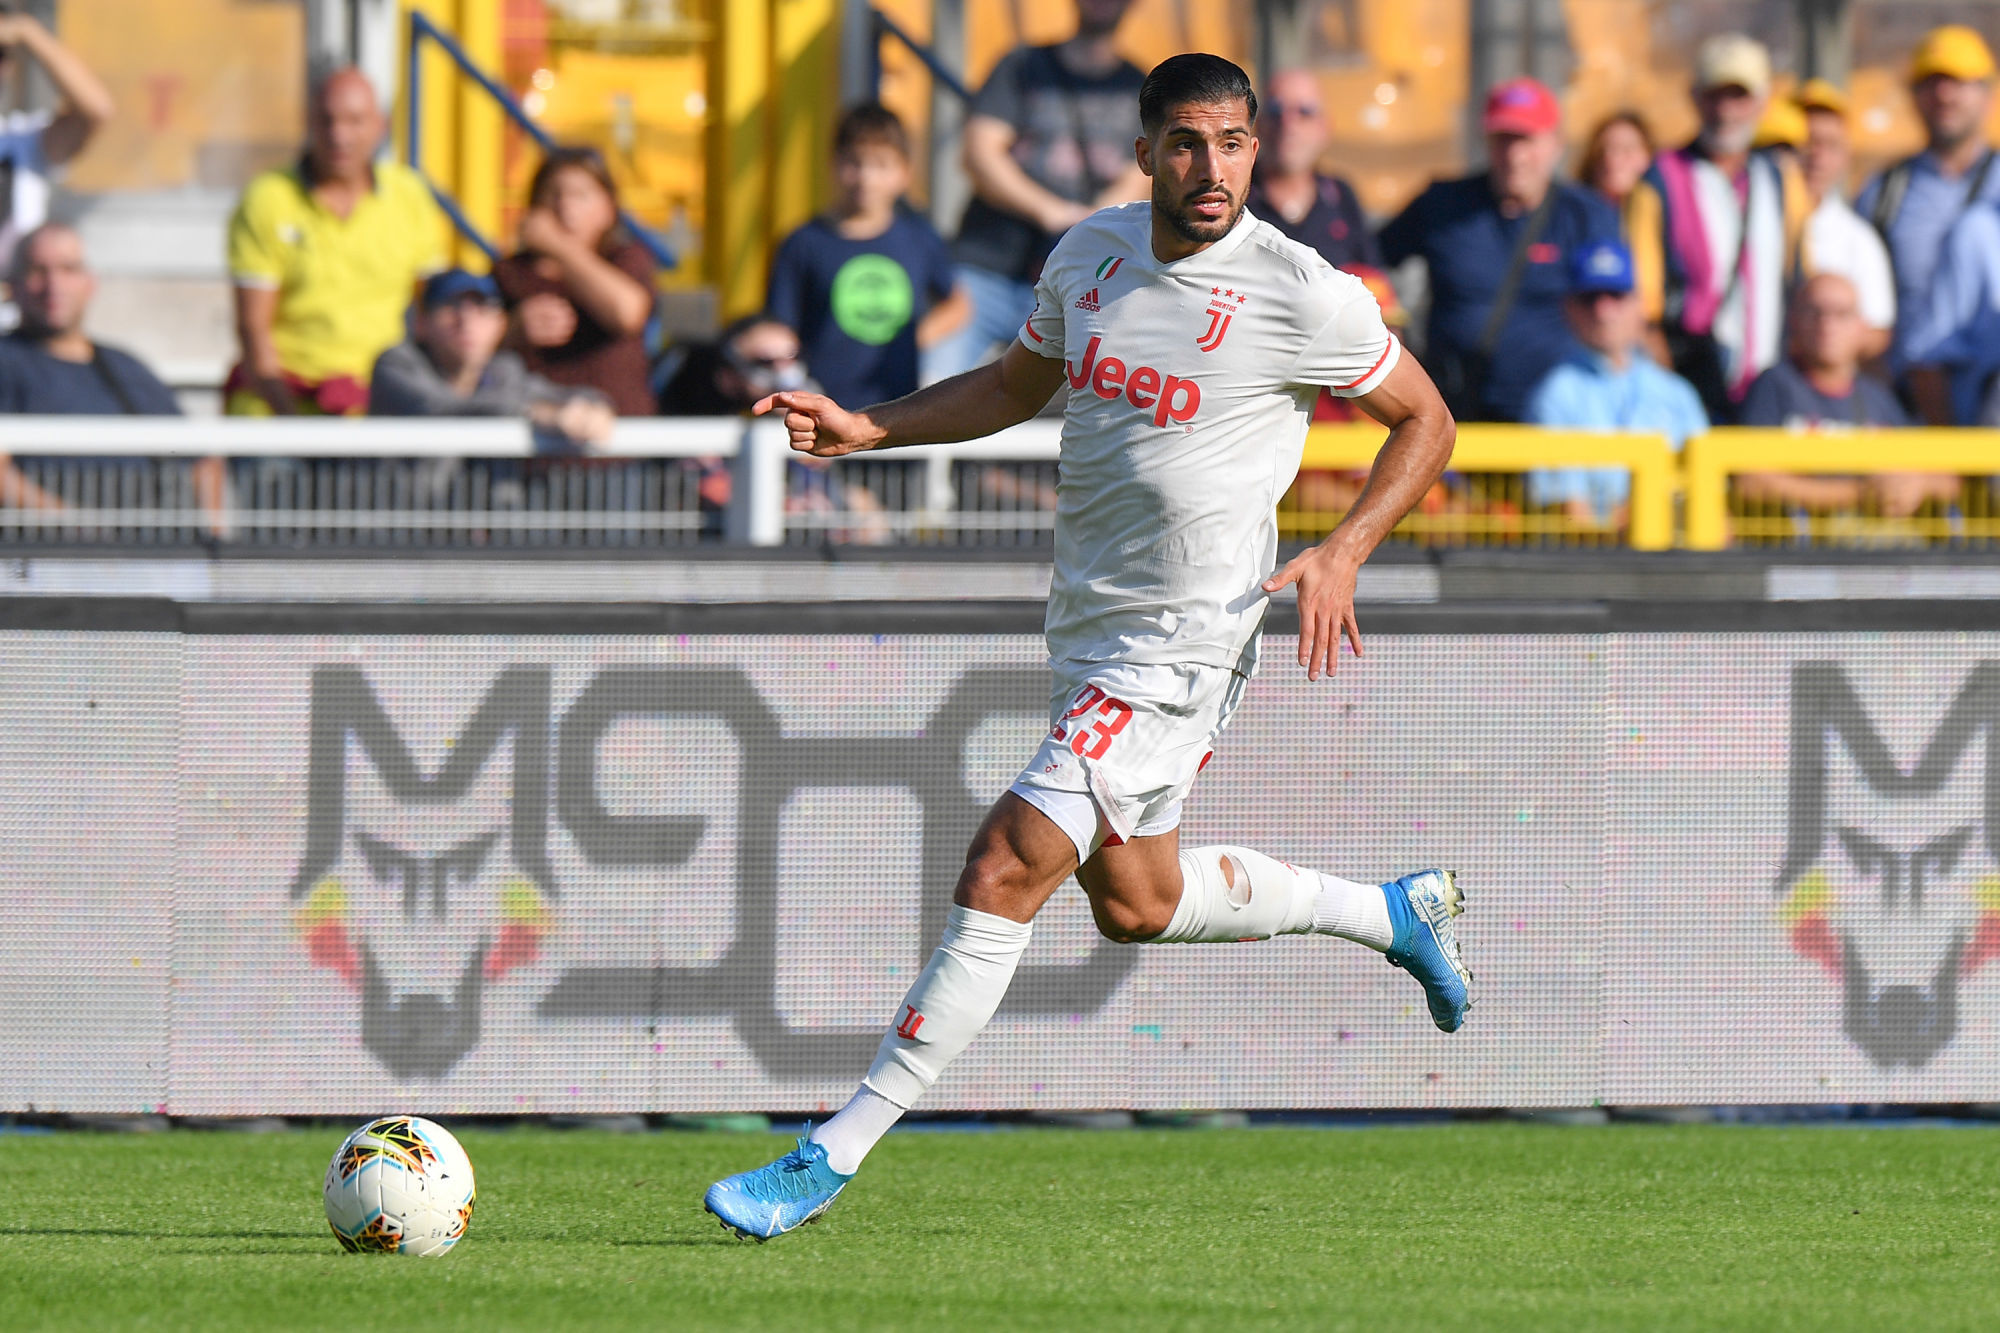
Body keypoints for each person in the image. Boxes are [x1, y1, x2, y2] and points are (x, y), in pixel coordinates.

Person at [702, 53, 1467, 1240]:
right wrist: (871, 430)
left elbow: (1426, 417)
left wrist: (1347, 546)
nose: (1208, 166)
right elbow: (1018, 381)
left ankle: (826, 1152)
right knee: (1137, 903)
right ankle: (1388, 914)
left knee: (1003, 866)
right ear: (1143, 149)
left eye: (1230, 142)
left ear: (1255, 149)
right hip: (1090, 627)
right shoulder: (1089, 256)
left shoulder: (1298, 290)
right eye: (1184, 142)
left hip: (1186, 640)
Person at [922, 0, 1149, 380]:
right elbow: (979, 154)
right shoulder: (1022, 66)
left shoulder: (1140, 86)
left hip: (1083, 286)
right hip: (986, 274)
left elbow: (1143, 176)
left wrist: (1086, 222)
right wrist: (1051, 211)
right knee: (929, 384)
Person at [1379, 76, 1620, 422]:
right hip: (1454, 415)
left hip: (1559, 421)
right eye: (1503, 140)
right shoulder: (1443, 205)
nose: (1515, 155)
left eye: (1527, 140)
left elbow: (1619, 308)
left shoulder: (1586, 216)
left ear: (1556, 144)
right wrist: (1388, 322)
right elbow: (1369, 259)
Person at [226, 68, 448, 415]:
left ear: (381, 125)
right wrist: (292, 428)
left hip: (379, 411)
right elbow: (253, 329)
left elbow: (438, 311)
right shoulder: (268, 198)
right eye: (327, 121)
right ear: (309, 123)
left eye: (355, 121)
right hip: (280, 406)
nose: (339, 135)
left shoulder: (409, 195)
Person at [1626, 34, 1812, 424]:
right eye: (1715, 95)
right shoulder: (1660, 179)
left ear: (1761, 102)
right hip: (1689, 380)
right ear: (1695, 98)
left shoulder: (1782, 180)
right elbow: (1644, 304)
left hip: (1769, 383)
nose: (1726, 111)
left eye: (1738, 96)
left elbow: (1799, 280)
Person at [764, 103, 967, 408]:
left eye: (881, 164)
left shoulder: (919, 238)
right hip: (822, 414)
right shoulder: (802, 243)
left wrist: (911, 340)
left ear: (904, 173)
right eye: (854, 162)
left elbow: (958, 304)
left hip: (897, 417)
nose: (866, 178)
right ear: (833, 163)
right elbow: (779, 330)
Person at [1736, 273, 1955, 519]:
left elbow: (1947, 480)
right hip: (1800, 545)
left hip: (1873, 545)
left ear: (1863, 327)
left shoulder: (1878, 396)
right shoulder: (1774, 385)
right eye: (1815, 312)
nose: (1827, 325)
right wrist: (1857, 495)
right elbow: (1750, 481)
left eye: (1841, 314)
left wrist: (1915, 486)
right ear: (1794, 321)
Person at [1856, 24, 2000, 399]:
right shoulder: (1884, 192)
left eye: (1958, 82)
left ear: (1987, 93)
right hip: (1906, 398)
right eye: (1931, 82)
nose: (1944, 96)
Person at [1523, 237, 1707, 527]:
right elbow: (1570, 518)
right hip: (1599, 566)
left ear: (1640, 305)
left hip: (1680, 561)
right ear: (1569, 308)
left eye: (1616, 295)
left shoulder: (1676, 392)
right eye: (1590, 298)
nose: (1603, 311)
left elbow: (1711, 509)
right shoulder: (1555, 394)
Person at [0, 222, 182, 515]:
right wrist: (77, 525)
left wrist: (213, 546)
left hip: (148, 546)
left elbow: (200, 457)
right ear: (13, 285)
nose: (54, 285)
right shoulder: (7, 361)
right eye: (38, 271)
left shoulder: (124, 365)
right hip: (42, 552)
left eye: (68, 269)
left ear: (90, 282)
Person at [494, 147, 657, 418]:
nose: (565, 207)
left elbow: (627, 313)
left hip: (616, 443)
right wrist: (513, 330)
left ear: (608, 208)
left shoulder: (626, 259)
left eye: (580, 195)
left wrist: (559, 246)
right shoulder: (510, 272)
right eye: (553, 194)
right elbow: (470, 353)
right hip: (531, 439)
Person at [369, 268, 614, 448]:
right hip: (405, 517)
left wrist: (591, 409)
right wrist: (535, 412)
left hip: (485, 517)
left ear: (500, 325)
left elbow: (572, 397)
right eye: (450, 307)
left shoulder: (503, 370)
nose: (466, 322)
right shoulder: (395, 364)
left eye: (481, 308)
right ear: (421, 323)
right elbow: (439, 409)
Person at [0, 9, 113, 274]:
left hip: (16, 309)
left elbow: (96, 109)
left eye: (1, 54)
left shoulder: (21, 139)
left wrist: (28, 32)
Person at [1794, 80, 1894, 359]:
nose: (1816, 156)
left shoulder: (1858, 240)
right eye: (1807, 142)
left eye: (1831, 145)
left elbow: (1877, 331)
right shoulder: (1748, 219)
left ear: (1845, 157)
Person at [1245, 68, 1379, 270]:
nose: (1288, 123)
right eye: (1275, 111)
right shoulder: (1235, 199)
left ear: (1325, 127)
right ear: (1258, 124)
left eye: (1305, 112)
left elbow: (1374, 282)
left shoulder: (1340, 197)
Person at [1579, 110, 1655, 218]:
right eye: (1602, 150)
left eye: (1627, 149)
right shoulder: (1573, 213)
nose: (1613, 159)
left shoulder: (1661, 213)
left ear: (1647, 157)